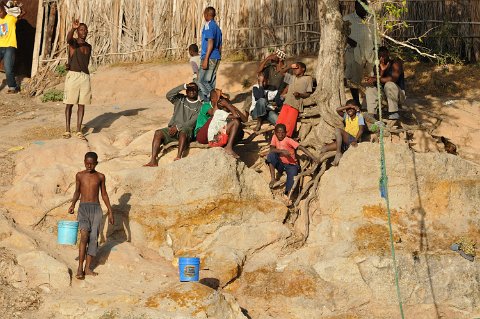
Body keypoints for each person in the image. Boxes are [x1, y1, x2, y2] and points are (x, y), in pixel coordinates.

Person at [68, 152, 114, 280]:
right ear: (84, 162)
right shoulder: (79, 175)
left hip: (96, 210)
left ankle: (87, 268)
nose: (89, 166)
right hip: (83, 208)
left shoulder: (100, 177)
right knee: (84, 236)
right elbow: (77, 192)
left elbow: (104, 194)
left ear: (96, 163)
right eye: (87, 163)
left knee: (93, 239)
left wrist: (110, 211)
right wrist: (72, 204)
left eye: (92, 163)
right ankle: (79, 267)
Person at [144, 83, 202, 165]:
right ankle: (153, 160)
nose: (192, 91)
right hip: (173, 128)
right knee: (158, 133)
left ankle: (178, 157)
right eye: (189, 89)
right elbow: (168, 95)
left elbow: (192, 122)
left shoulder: (200, 106)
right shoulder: (180, 99)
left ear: (197, 91)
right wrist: (183, 86)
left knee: (183, 132)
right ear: (186, 91)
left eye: (194, 90)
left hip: (186, 130)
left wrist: (178, 127)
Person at [266, 123, 318, 204]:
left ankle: (288, 195)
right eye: (278, 132)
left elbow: (301, 148)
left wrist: (313, 157)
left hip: (291, 165)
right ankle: (273, 179)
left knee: (292, 176)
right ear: (275, 132)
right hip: (281, 164)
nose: (280, 134)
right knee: (271, 156)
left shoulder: (288, 140)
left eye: (282, 132)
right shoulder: (274, 137)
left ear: (286, 133)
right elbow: (271, 149)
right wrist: (281, 151)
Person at [63, 19, 92, 140]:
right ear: (77, 32)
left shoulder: (89, 46)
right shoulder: (74, 43)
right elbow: (68, 39)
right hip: (73, 76)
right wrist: (73, 28)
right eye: (81, 30)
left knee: (82, 104)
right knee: (69, 103)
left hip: (85, 76)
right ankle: (67, 130)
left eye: (85, 30)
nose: (83, 32)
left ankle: (79, 130)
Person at [343, 0, 375, 106]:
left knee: (373, 77)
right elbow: (341, 33)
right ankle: (356, 102)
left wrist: (377, 47)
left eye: (365, 5)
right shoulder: (348, 18)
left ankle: (373, 103)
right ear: (356, 6)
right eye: (361, 6)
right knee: (354, 79)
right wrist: (348, 40)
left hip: (370, 51)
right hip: (354, 51)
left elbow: (377, 34)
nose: (363, 8)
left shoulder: (372, 18)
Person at [319, 99, 365, 166]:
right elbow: (338, 110)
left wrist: (355, 140)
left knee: (338, 130)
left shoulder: (359, 116)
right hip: (345, 142)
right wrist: (349, 106)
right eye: (348, 109)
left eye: (351, 109)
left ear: (355, 109)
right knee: (324, 148)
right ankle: (318, 164)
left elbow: (361, 130)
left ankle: (338, 153)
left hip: (353, 140)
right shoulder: (346, 116)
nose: (349, 110)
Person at [365, 46, 405, 120]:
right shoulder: (376, 67)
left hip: (398, 95)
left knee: (389, 84)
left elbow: (393, 79)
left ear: (388, 54)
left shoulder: (396, 63)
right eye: (380, 56)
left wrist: (376, 79)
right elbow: (377, 82)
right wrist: (382, 71)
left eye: (384, 55)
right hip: (384, 96)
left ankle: (393, 112)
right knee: (370, 89)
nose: (382, 58)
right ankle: (371, 114)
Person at [276, 62, 313, 137]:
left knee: (289, 126)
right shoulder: (292, 77)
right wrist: (290, 66)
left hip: (295, 105)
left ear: (303, 69)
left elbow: (308, 93)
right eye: (294, 69)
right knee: (279, 124)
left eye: (297, 68)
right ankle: (276, 142)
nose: (294, 70)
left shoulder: (308, 78)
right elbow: (281, 72)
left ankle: (286, 143)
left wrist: (300, 94)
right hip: (286, 104)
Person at [197, 6, 222, 102]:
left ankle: (214, 98)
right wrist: (218, 58)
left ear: (207, 15)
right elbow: (220, 45)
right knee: (210, 81)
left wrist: (206, 59)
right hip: (216, 57)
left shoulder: (208, 25)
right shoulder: (217, 28)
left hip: (209, 56)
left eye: (204, 14)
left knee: (201, 81)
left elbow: (210, 42)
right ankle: (211, 102)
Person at [0, 1, 25, 93]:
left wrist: (13, 8)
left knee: (8, 67)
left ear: (4, 10)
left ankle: (13, 87)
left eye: (0, 11)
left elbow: (23, 13)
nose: (0, 14)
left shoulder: (11, 17)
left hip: (9, 46)